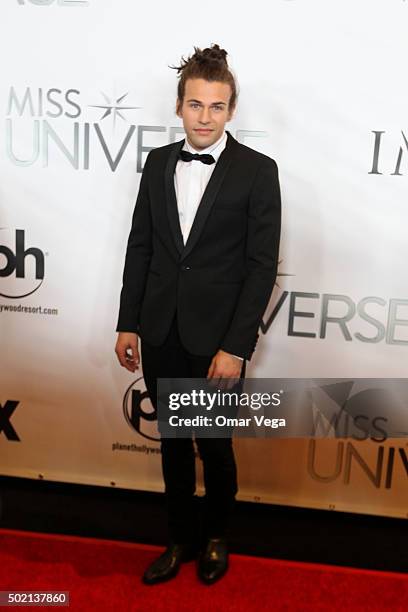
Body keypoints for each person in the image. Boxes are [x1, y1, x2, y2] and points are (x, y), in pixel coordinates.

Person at [115, 43, 281, 585]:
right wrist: (128, 320)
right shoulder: (159, 162)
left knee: (213, 445)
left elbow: (260, 269)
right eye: (195, 105)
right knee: (172, 447)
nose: (204, 117)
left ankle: (215, 537)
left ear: (231, 110)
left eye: (216, 106)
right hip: (160, 329)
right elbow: (140, 246)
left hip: (216, 341)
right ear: (179, 106)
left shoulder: (258, 172)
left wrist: (235, 348)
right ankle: (178, 540)